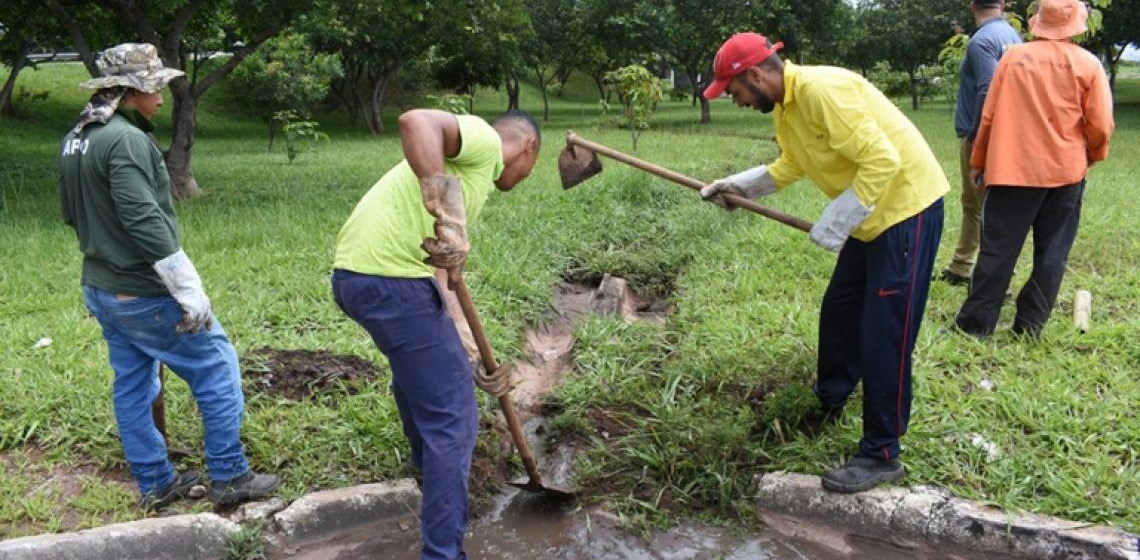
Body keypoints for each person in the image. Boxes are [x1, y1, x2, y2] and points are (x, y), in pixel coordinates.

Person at [700, 33, 948, 493]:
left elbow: (882, 159)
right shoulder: (786, 108)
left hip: (906, 209)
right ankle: (830, 399)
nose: (734, 100)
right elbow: (792, 164)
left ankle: (882, 452)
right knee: (840, 312)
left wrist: (835, 220)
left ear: (755, 75)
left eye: (734, 91)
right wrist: (737, 186)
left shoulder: (820, 91)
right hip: (871, 213)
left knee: (884, 334)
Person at [59, 43, 279, 510]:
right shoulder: (126, 140)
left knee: (134, 385)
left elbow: (70, 212)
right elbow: (144, 220)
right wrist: (186, 287)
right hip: (142, 292)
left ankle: (157, 483)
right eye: (156, 87)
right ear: (132, 90)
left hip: (100, 287)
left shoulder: (79, 135)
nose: (162, 97)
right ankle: (229, 474)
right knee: (217, 367)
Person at [330, 108, 540, 560]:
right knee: (454, 418)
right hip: (391, 279)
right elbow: (414, 121)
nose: (523, 177)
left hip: (360, 276)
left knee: (421, 372)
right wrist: (444, 207)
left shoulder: (471, 174)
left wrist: (465, 353)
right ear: (529, 148)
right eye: (531, 168)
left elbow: (443, 286)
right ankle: (443, 553)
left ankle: (426, 470)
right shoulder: (484, 141)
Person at [955, 0, 1114, 338]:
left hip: (1012, 171)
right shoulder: (1088, 65)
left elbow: (989, 116)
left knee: (997, 249)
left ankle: (975, 325)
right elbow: (1101, 125)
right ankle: (1029, 326)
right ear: (1077, 26)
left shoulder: (1012, 57)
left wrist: (978, 161)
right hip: (1067, 173)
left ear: (1038, 22)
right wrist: (1094, 155)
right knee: (1052, 253)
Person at [939, 0, 1022, 287]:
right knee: (985, 206)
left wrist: (978, 135)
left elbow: (988, 87)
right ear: (1002, 4)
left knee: (979, 207)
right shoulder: (1013, 36)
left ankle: (997, 279)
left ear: (973, 5)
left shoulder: (981, 41)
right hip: (1008, 133)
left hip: (984, 137)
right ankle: (961, 266)